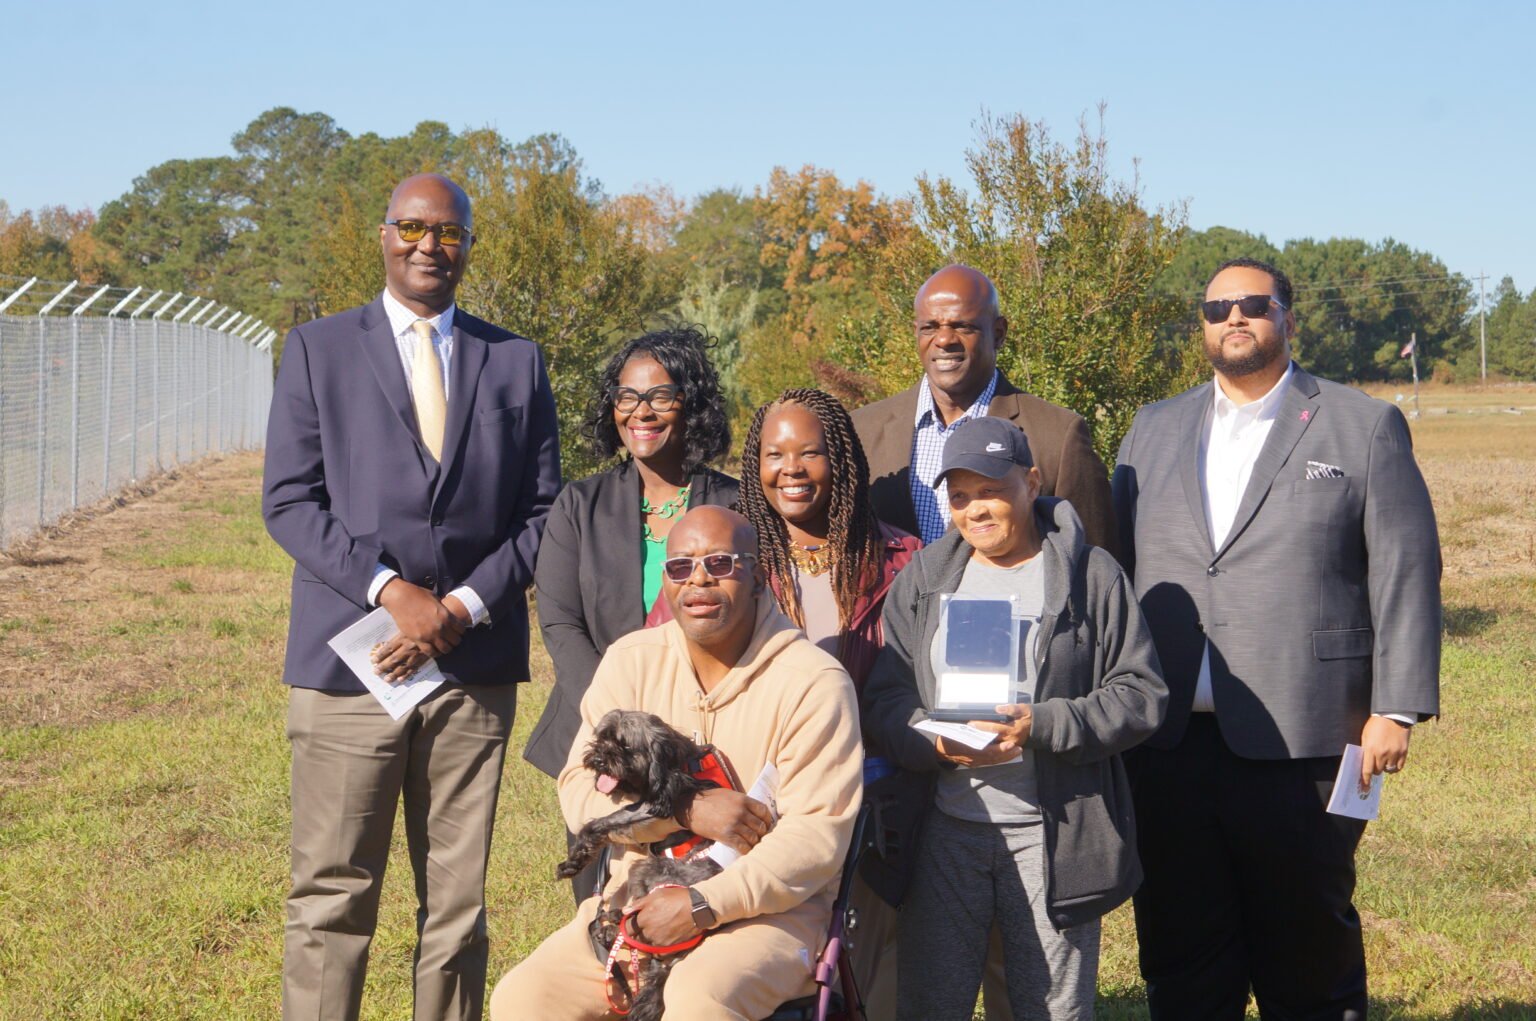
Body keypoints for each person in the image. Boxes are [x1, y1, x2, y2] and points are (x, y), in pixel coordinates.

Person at [262, 173, 561, 1021]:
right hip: (351, 667)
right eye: (413, 227)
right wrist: (391, 591)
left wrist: (459, 606)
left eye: (450, 232)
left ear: (468, 244)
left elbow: (543, 513)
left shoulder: (516, 360)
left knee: (457, 907)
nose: (431, 245)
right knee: (331, 896)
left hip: (472, 669)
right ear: (384, 235)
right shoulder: (318, 349)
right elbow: (289, 501)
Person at [1112, 257, 1441, 1018]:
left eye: (1253, 304)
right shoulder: (1152, 428)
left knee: (1308, 953)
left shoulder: (1362, 424)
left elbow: (1406, 566)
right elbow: (1118, 568)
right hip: (1168, 743)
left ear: (1288, 317)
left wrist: (1395, 707)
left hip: (1306, 738)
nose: (1233, 316)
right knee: (1182, 954)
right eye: (1215, 306)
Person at [489, 506, 863, 1020]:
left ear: (758, 576)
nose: (699, 579)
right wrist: (681, 810)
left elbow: (815, 838)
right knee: (523, 998)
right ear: (665, 581)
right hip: (636, 902)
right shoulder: (631, 661)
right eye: (681, 566)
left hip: (771, 914)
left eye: (720, 563)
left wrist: (705, 904)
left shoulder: (813, 682)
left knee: (695, 998)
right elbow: (579, 790)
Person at [864, 416, 1166, 1020]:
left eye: (991, 490)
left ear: (1030, 483)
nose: (975, 509)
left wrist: (1043, 725)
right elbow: (885, 700)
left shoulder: (1090, 575)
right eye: (959, 496)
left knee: (1052, 1010)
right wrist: (934, 742)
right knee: (931, 1007)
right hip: (946, 833)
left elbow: (1141, 695)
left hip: (1051, 835)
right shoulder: (925, 578)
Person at [523, 326, 739, 903]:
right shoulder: (580, 504)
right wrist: (618, 724)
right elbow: (560, 622)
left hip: (700, 742)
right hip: (601, 738)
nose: (641, 411)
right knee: (601, 908)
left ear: (691, 403)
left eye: (660, 396)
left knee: (690, 900)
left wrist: (668, 732)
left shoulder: (733, 505)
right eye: (627, 396)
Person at [739, 387, 921, 1019]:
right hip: (762, 813)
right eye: (774, 454)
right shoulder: (731, 562)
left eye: (809, 452)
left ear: (840, 460)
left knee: (868, 982)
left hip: (871, 810)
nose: (790, 469)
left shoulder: (903, 562)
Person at [851, 264, 1117, 560]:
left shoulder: (1057, 437)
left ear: (999, 333)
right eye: (930, 327)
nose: (944, 340)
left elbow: (1096, 563)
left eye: (963, 326)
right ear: (916, 332)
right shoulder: (862, 430)